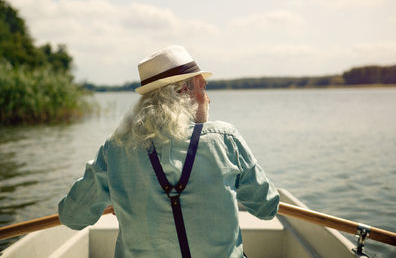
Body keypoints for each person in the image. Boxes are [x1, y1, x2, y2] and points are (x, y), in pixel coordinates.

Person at [58, 45, 280, 258]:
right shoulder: (225, 139)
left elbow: (72, 216)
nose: (208, 97)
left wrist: (116, 197)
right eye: (204, 87)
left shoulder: (116, 149)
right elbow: (267, 207)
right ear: (184, 91)